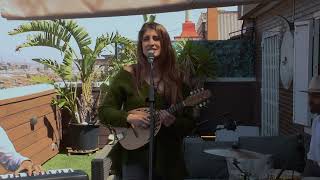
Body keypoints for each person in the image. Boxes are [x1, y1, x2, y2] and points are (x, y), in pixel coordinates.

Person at [98, 22, 195, 180]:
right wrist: (128, 118)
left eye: (156, 38)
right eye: (146, 39)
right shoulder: (127, 75)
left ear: (165, 43)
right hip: (134, 156)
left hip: (168, 160)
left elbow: (190, 124)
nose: (151, 42)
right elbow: (104, 111)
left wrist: (173, 122)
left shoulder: (178, 79)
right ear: (141, 45)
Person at [302, 76, 320, 177]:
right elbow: (311, 156)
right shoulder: (316, 122)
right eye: (310, 96)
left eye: (315, 96)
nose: (310, 101)